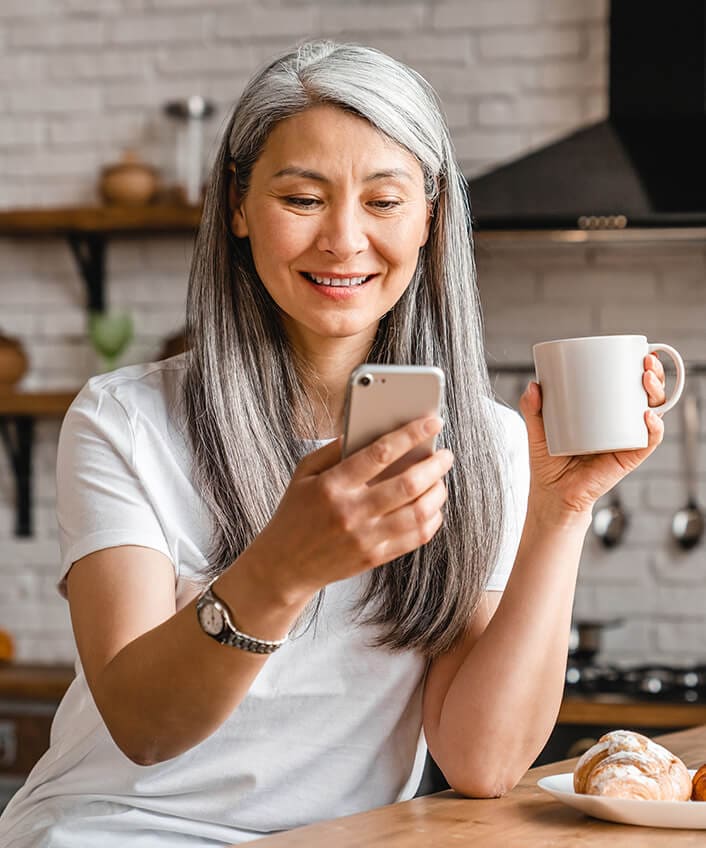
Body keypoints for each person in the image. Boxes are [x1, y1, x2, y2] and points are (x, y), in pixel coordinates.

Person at [0, 41, 667, 847]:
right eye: (304, 198)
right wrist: (287, 566)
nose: (345, 241)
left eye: (384, 201)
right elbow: (144, 728)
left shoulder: (482, 441)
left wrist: (560, 512)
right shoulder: (124, 419)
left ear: (430, 218)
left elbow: (482, 762)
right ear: (238, 207)